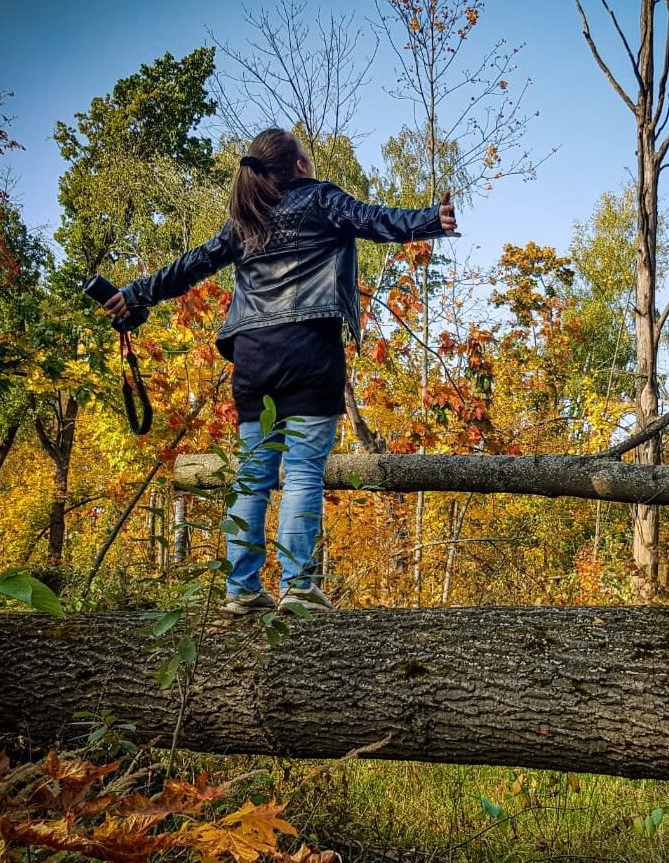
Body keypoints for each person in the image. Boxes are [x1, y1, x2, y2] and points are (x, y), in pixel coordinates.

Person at [106, 127, 459, 615]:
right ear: (298, 166)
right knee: (303, 473)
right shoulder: (319, 199)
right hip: (309, 350)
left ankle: (242, 590)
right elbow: (373, 220)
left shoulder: (244, 220)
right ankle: (296, 586)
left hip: (253, 357)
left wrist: (135, 292)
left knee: (253, 476)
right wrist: (430, 220)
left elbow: (189, 266)